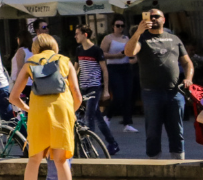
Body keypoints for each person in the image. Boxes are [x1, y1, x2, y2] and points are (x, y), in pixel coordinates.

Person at [8, 32, 81, 180]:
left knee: (34, 159)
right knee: (61, 161)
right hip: (62, 111)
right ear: (55, 46)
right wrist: (71, 112)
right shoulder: (65, 61)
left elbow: (13, 97)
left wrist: (29, 109)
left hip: (38, 113)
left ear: (35, 47)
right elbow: (77, 95)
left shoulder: (31, 62)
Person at [125, 6, 192, 160]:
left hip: (175, 92)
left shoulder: (174, 39)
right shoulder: (142, 38)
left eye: (156, 16)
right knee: (153, 132)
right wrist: (138, 32)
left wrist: (188, 78)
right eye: (150, 16)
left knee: (177, 130)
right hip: (151, 93)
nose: (153, 19)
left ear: (164, 19)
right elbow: (129, 52)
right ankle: (154, 165)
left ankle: (178, 163)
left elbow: (187, 62)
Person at [72, 25, 118, 156]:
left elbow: (104, 70)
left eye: (77, 33)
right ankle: (112, 143)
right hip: (83, 87)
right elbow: (75, 69)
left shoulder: (96, 50)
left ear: (85, 34)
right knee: (98, 118)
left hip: (94, 87)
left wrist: (106, 90)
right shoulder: (79, 49)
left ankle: (87, 147)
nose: (75, 36)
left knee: (89, 117)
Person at [101, 17, 136, 134]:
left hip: (126, 67)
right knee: (119, 96)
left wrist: (133, 58)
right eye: (117, 25)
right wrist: (116, 55)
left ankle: (127, 123)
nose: (120, 28)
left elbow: (131, 52)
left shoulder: (126, 38)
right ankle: (107, 116)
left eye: (122, 26)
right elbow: (102, 54)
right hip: (113, 68)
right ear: (113, 26)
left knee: (128, 95)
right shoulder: (108, 38)